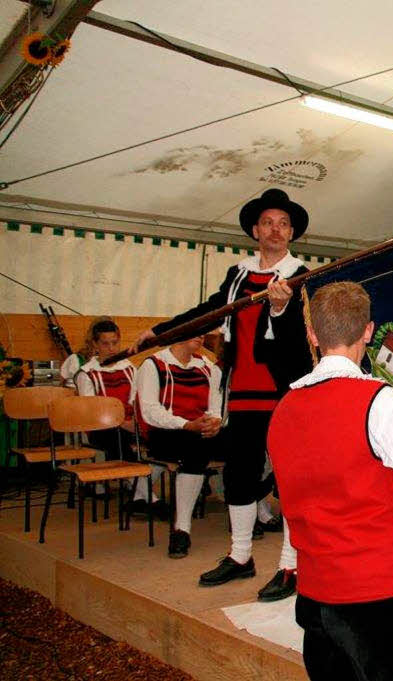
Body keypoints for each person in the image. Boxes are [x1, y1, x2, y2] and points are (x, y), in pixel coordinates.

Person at [267, 281, 393, 681]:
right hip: (378, 592)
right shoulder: (382, 402)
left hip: (315, 593)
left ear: (312, 334)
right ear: (368, 331)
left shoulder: (283, 408)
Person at [132, 188, 313, 601]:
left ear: (292, 234)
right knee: (238, 476)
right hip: (243, 393)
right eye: (268, 222)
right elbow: (208, 311)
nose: (276, 230)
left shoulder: (300, 276)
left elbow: (301, 343)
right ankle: (241, 556)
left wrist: (281, 310)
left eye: (284, 224)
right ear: (255, 230)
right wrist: (162, 332)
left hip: (284, 392)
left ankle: (290, 565)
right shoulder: (238, 276)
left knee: (289, 480)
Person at [135, 335, 223, 558]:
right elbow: (150, 411)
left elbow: (216, 405)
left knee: (247, 442)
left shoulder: (207, 367)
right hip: (165, 432)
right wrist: (186, 424)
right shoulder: (153, 364)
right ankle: (181, 529)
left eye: (204, 332)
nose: (201, 337)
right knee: (196, 447)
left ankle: (256, 511)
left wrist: (215, 422)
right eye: (195, 331)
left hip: (199, 431)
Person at [76, 319, 165, 515]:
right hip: (101, 428)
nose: (111, 348)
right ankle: (150, 498)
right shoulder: (87, 374)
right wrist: (123, 424)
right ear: (95, 345)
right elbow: (92, 411)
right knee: (119, 439)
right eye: (105, 344)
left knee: (162, 439)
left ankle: (138, 496)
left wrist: (138, 423)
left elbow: (138, 400)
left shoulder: (129, 368)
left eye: (115, 342)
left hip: (129, 424)